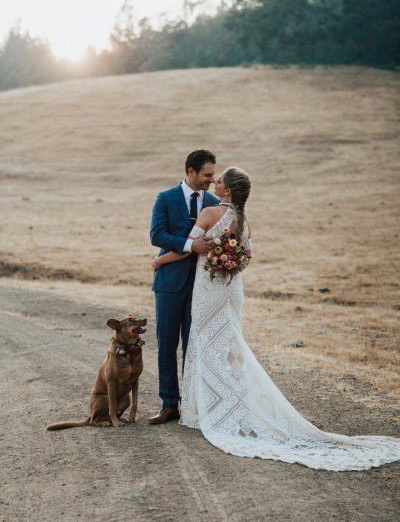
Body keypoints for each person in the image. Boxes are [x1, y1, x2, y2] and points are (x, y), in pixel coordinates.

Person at [153, 166, 400, 471]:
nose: (214, 183)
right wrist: (226, 263)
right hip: (231, 290)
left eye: (219, 181)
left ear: (227, 190)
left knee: (207, 344)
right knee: (229, 346)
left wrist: (160, 259)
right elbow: (244, 260)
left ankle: (205, 412)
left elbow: (190, 250)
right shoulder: (245, 222)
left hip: (209, 290)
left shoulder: (209, 214)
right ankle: (225, 405)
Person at [148, 149, 220, 424]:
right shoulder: (165, 198)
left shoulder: (214, 203)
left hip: (203, 285)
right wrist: (191, 245)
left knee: (193, 346)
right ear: (190, 171)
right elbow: (157, 235)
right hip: (169, 284)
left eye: (214, 175)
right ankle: (169, 404)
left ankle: (192, 405)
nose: (212, 180)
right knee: (166, 344)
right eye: (207, 174)